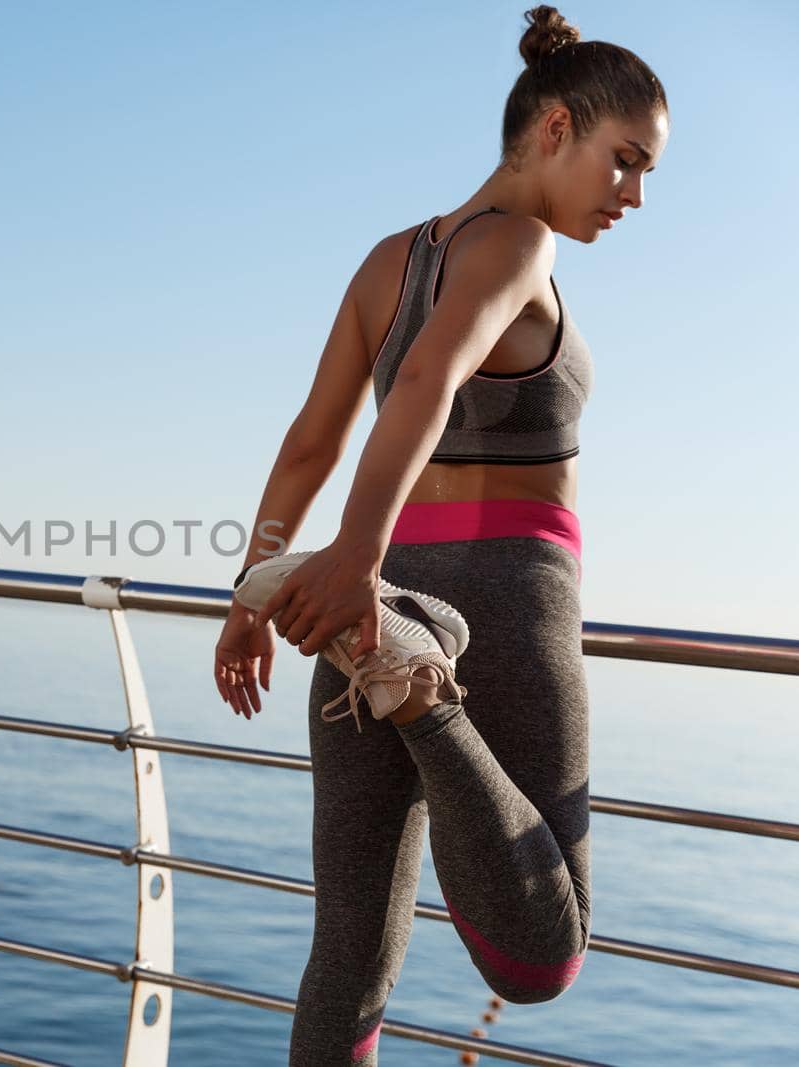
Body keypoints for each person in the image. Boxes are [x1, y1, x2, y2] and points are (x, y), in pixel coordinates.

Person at [210, 6, 669, 1064]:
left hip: (368, 605)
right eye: (624, 161)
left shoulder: (386, 260)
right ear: (554, 127)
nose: (634, 194)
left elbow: (309, 439)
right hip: (492, 596)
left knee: (349, 951)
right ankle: (423, 697)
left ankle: (401, 663)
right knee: (541, 955)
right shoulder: (520, 241)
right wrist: (358, 564)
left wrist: (255, 588)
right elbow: (428, 378)